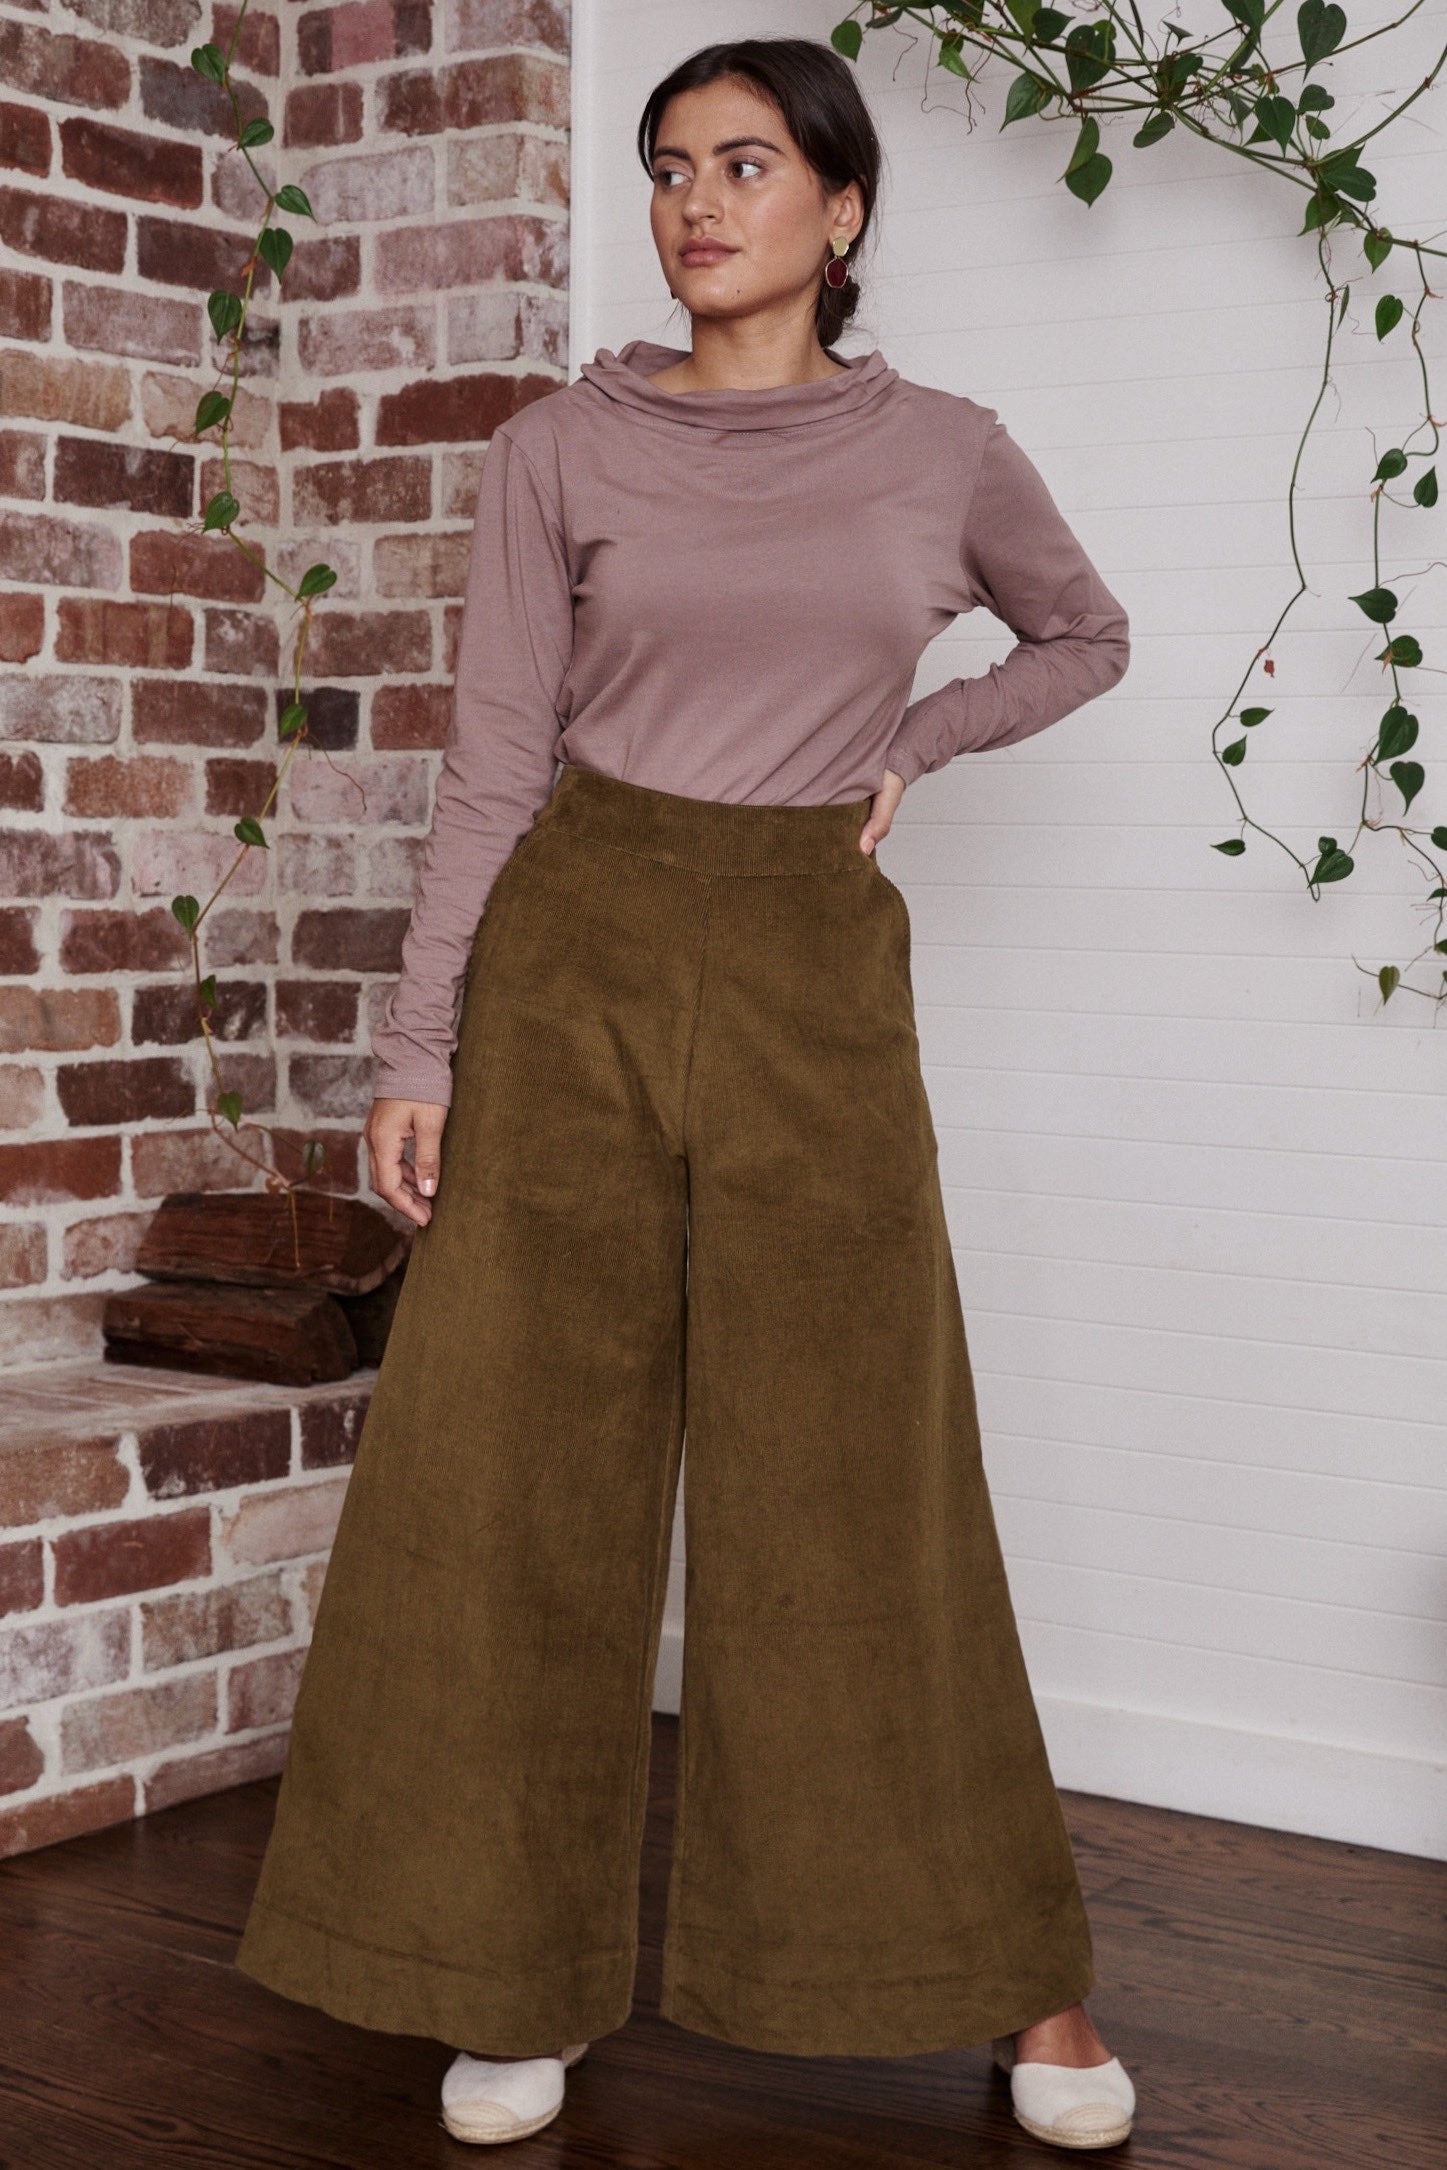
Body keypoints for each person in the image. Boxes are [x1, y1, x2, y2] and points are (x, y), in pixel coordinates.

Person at [233, 34, 1138, 2155]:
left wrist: (919, 739)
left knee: (860, 1473)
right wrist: (420, 1046)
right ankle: (496, 1965)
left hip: (813, 970)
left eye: (743, 164)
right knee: (507, 1478)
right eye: (667, 167)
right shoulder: (561, 445)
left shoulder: (945, 452)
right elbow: (491, 762)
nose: (696, 202)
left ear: (841, 207)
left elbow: (1084, 635)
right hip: (579, 956)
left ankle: (1020, 1982)